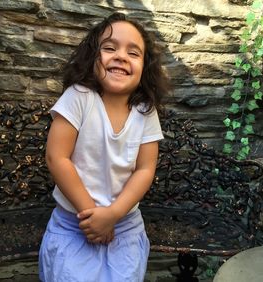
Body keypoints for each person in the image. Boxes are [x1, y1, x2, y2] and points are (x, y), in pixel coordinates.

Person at [38, 12, 169, 282]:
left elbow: (145, 169)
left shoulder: (145, 111)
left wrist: (112, 215)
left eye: (133, 53)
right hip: (74, 223)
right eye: (109, 48)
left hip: (125, 225)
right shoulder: (79, 97)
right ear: (92, 58)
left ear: (145, 67)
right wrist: (92, 216)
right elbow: (57, 157)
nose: (120, 56)